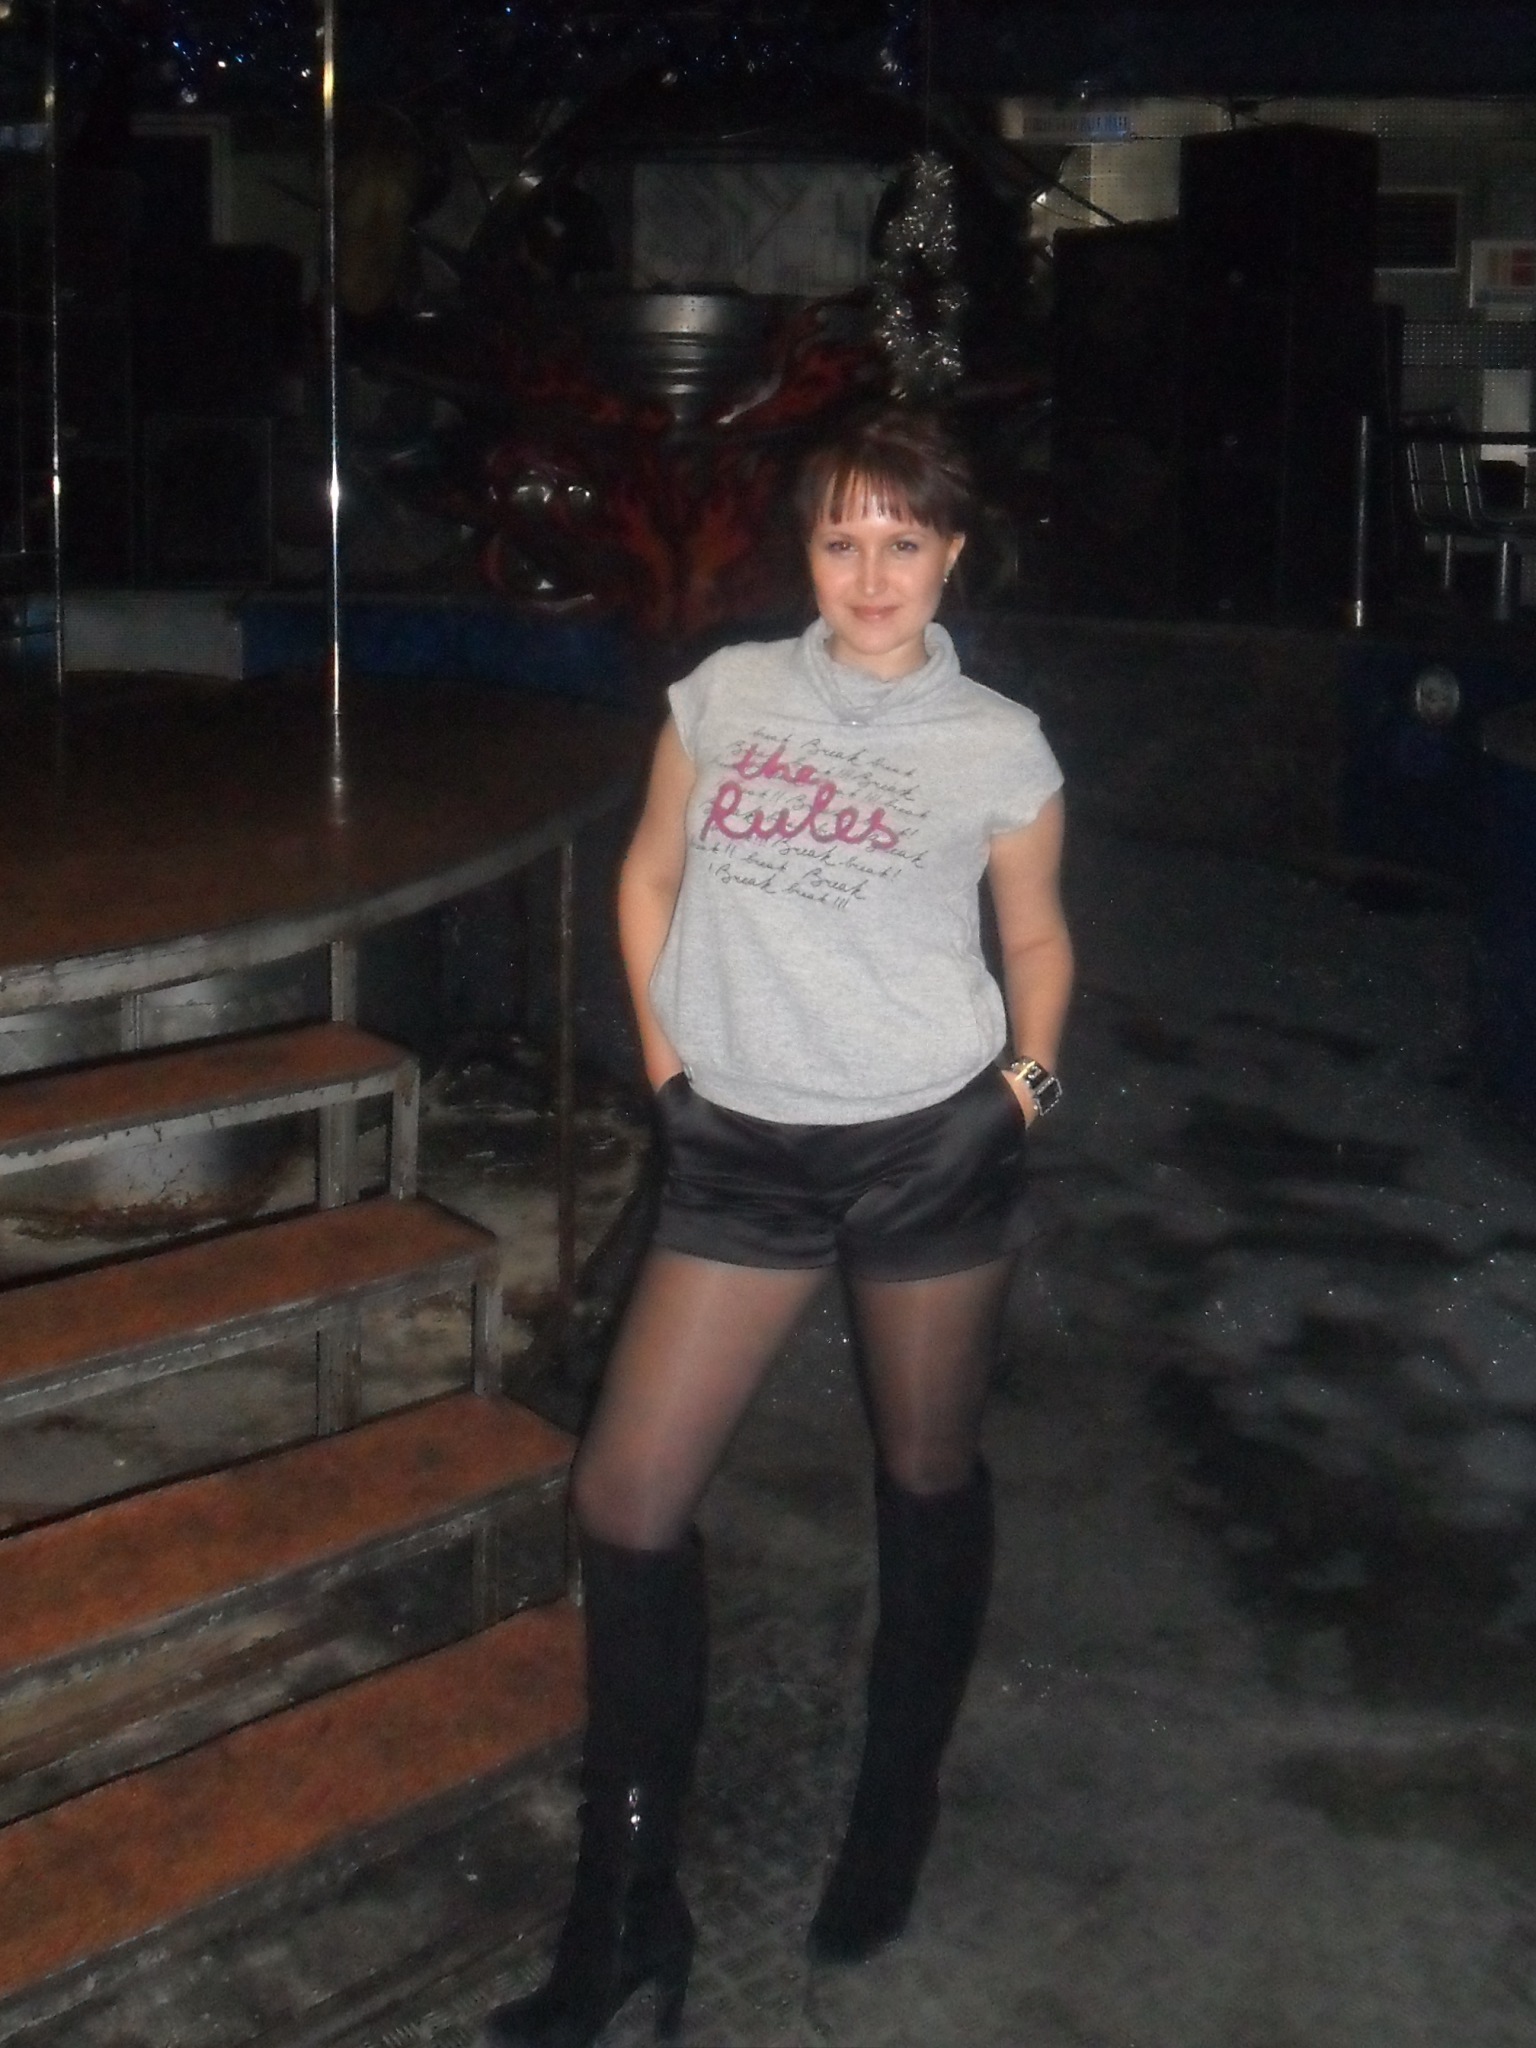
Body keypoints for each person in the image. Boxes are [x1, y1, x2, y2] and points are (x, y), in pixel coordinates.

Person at [479, 407, 1073, 2048]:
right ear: (803, 552)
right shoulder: (727, 697)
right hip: (740, 1149)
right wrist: (674, 1079)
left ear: (951, 556)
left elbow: (1037, 940)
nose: (871, 575)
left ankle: (895, 1804)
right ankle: (628, 1904)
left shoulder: (1001, 744)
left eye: (904, 542)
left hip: (929, 1148)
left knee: (926, 1470)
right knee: (626, 1499)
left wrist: (1018, 1093)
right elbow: (646, 881)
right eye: (841, 540)